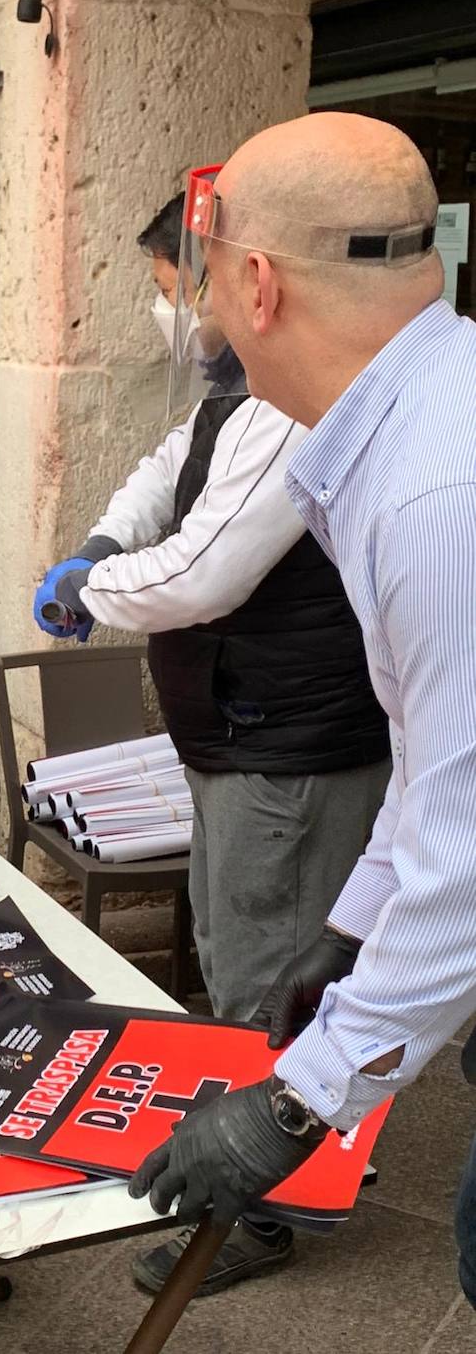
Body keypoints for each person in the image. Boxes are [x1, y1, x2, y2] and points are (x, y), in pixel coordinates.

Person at [128, 114, 476, 1313]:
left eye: (208, 280)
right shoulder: (410, 423)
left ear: (257, 282)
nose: (204, 317)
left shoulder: (436, 490)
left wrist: (297, 1102)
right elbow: (433, 755)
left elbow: (467, 848)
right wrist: (347, 930)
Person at [33, 194, 391, 1294]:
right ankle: (320, 1141)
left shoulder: (296, 403)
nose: (164, 306)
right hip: (247, 730)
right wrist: (101, 536)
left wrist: (94, 586)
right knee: (267, 950)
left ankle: (263, 1208)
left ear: (243, 279)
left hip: (283, 744)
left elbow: (205, 570)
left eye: (166, 281)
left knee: (261, 971)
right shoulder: (243, 386)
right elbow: (171, 462)